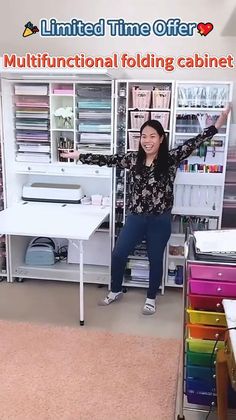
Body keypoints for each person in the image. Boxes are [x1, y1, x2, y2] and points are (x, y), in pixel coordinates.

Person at [61, 105, 231, 315]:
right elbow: (109, 159)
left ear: (161, 138)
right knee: (118, 254)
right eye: (143, 136)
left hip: (159, 220)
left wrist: (217, 124)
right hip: (136, 218)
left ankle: (151, 297)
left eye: (152, 136)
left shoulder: (171, 159)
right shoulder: (134, 159)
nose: (147, 140)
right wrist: (80, 155)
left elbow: (194, 142)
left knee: (155, 258)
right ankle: (115, 290)